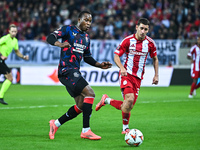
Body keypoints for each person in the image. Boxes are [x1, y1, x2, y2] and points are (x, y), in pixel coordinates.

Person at [46, 10, 112, 140]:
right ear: (79, 20)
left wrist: (100, 65)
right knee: (90, 94)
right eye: (86, 20)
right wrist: (59, 44)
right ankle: (86, 130)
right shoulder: (68, 30)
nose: (88, 23)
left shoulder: (86, 38)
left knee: (81, 105)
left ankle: (56, 124)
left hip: (74, 71)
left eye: (90, 21)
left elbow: (87, 57)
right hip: (66, 70)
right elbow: (50, 37)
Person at [95, 18, 159, 134]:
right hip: (126, 74)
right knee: (129, 100)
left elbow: (155, 58)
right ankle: (125, 128)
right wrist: (122, 68)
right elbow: (116, 56)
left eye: (146, 29)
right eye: (141, 28)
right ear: (136, 27)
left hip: (138, 78)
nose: (143, 31)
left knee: (128, 106)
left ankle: (107, 100)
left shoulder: (150, 43)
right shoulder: (128, 41)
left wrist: (156, 75)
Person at [0, 24, 29, 105]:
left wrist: (23, 57)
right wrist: (1, 55)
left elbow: (17, 52)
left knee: (10, 78)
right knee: (9, 78)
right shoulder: (5, 38)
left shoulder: (15, 41)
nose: (14, 33)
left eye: (15, 31)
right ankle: (0, 96)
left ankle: (1, 97)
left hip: (2, 61)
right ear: (9, 31)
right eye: (12, 31)